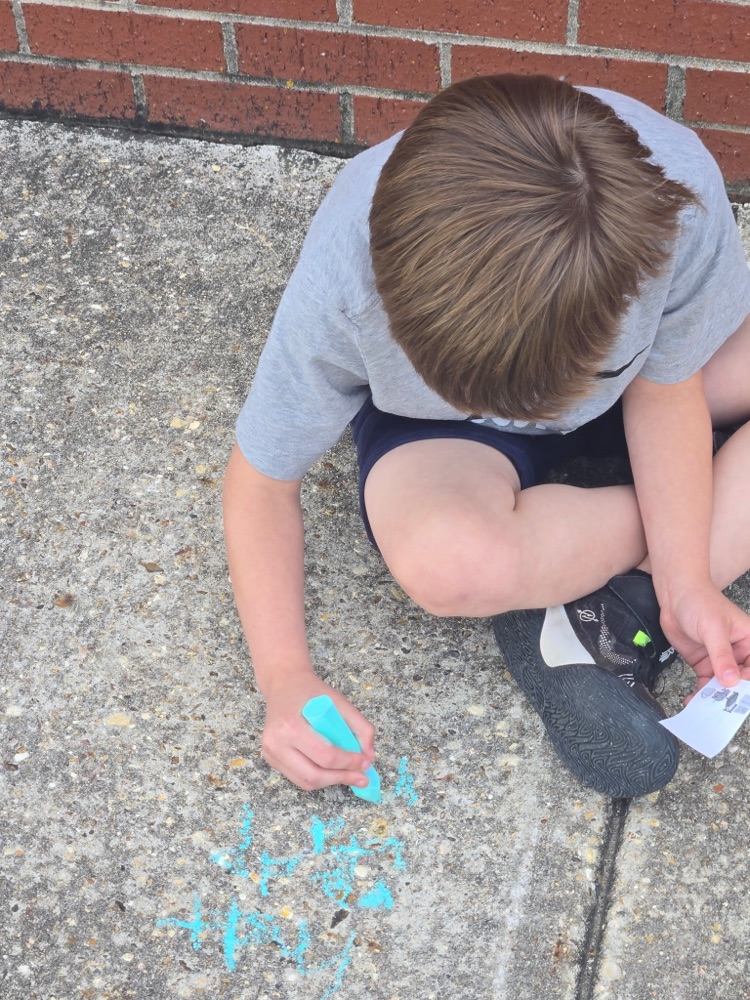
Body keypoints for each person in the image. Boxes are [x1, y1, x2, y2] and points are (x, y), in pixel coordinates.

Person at [223, 74, 750, 799]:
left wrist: (687, 580)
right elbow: (260, 482)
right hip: (447, 442)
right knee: (447, 562)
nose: (544, 412)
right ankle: (659, 546)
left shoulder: (676, 202)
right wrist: (285, 678)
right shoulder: (347, 274)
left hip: (650, 385)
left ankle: (617, 599)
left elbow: (665, 386)